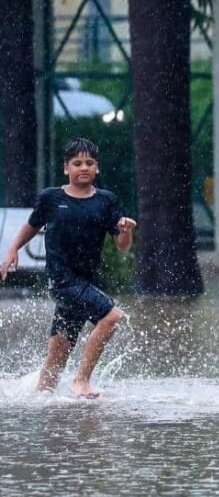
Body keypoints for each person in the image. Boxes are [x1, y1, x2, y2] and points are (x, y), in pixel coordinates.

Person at [1, 137, 136, 398]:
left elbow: (121, 245)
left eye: (89, 163)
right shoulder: (51, 198)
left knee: (59, 350)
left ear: (97, 168)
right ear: (66, 168)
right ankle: (81, 381)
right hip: (61, 280)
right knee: (112, 317)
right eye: (77, 163)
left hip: (86, 281)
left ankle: (40, 399)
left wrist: (126, 232)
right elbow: (32, 225)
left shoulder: (107, 201)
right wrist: (12, 249)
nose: (83, 167)